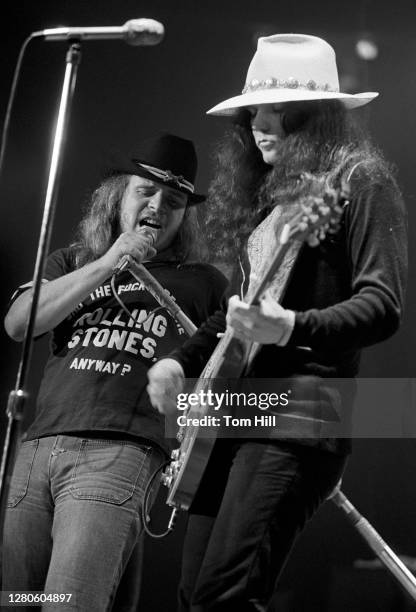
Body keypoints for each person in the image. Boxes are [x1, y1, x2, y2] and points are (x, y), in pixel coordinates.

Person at [147, 35, 408, 610]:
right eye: (252, 113)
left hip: (301, 413)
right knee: (193, 592)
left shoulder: (360, 182)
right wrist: (177, 361)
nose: (258, 125)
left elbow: (383, 304)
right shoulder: (271, 208)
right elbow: (230, 317)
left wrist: (290, 326)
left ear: (314, 117)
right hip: (232, 412)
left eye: (276, 112)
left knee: (223, 593)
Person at [3, 133, 228, 611]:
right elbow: (19, 323)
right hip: (38, 448)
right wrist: (109, 262)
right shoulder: (74, 261)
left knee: (68, 602)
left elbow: (229, 364)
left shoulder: (203, 281)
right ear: (117, 196)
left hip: (119, 453)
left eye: (175, 200)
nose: (158, 206)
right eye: (145, 191)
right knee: (16, 600)